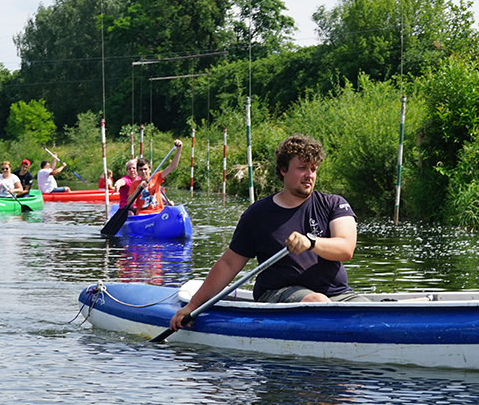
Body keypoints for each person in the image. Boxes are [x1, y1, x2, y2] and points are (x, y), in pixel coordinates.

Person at [170, 134, 363, 333]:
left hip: (337, 294)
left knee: (366, 312)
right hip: (278, 294)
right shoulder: (257, 215)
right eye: (302, 168)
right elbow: (228, 264)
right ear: (283, 170)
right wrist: (192, 307)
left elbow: (346, 248)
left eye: (313, 169)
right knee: (318, 301)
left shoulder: (333, 203)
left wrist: (310, 242)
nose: (309, 174)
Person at [129, 140, 183, 215]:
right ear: (137, 172)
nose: (143, 172)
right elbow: (129, 203)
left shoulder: (156, 177)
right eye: (141, 170)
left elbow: (172, 166)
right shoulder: (135, 184)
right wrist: (138, 188)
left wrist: (179, 149)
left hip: (159, 212)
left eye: (145, 169)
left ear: (150, 170)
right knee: (141, 214)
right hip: (143, 213)